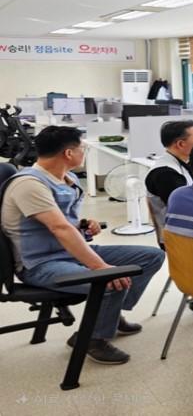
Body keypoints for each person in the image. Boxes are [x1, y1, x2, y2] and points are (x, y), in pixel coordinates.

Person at [2, 126, 164, 365]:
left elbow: (63, 221)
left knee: (151, 257)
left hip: (67, 252)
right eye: (82, 148)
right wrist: (100, 268)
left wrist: (83, 224)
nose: (84, 153)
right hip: (40, 264)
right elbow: (59, 228)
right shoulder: (28, 184)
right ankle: (93, 339)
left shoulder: (68, 178)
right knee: (110, 281)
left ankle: (108, 314)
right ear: (68, 153)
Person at [145, 119, 193, 245]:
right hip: (177, 238)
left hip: (186, 233)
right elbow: (184, 209)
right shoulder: (166, 174)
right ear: (181, 144)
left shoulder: (182, 164)